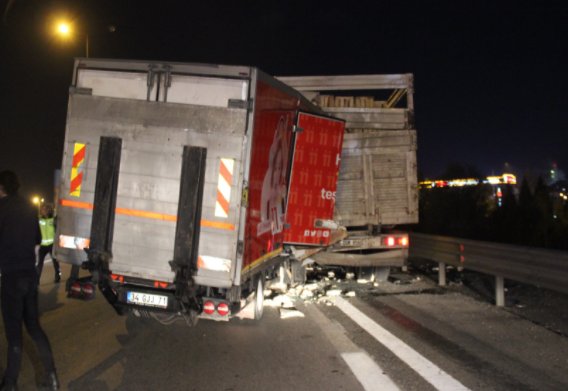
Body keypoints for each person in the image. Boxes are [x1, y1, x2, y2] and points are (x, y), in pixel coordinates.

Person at [0, 171, 59, 391]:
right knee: (34, 328)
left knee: (14, 334)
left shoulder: (1, 208)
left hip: (11, 277)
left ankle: (10, 384)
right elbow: (37, 237)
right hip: (29, 275)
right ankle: (52, 377)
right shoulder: (27, 206)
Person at [37, 204, 61, 283]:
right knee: (40, 263)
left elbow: (58, 230)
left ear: (48, 210)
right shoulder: (39, 220)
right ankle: (37, 279)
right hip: (43, 245)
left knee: (55, 261)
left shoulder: (53, 220)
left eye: (45, 209)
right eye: (42, 209)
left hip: (51, 244)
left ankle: (58, 276)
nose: (43, 211)